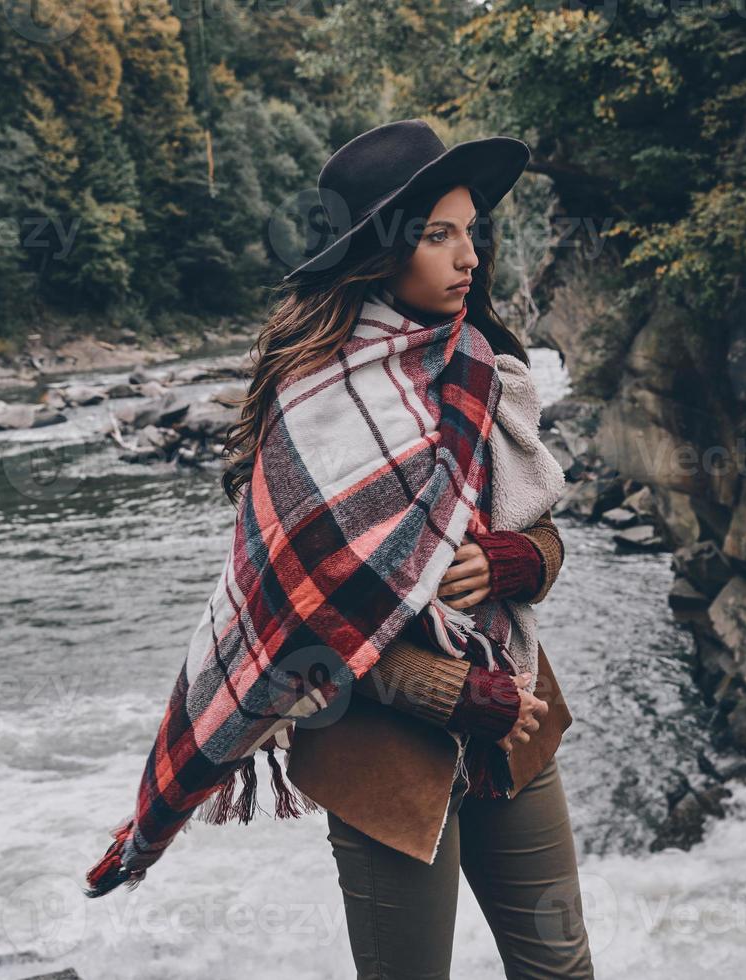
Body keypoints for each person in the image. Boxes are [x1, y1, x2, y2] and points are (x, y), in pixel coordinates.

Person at [231, 118, 597, 979]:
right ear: (381, 254)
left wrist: (517, 561)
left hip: (514, 724)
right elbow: (300, 618)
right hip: (381, 757)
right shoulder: (311, 405)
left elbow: (544, 533)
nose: (469, 257)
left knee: (562, 971)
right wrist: (449, 691)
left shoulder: (485, 363)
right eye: (440, 236)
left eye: (472, 232)